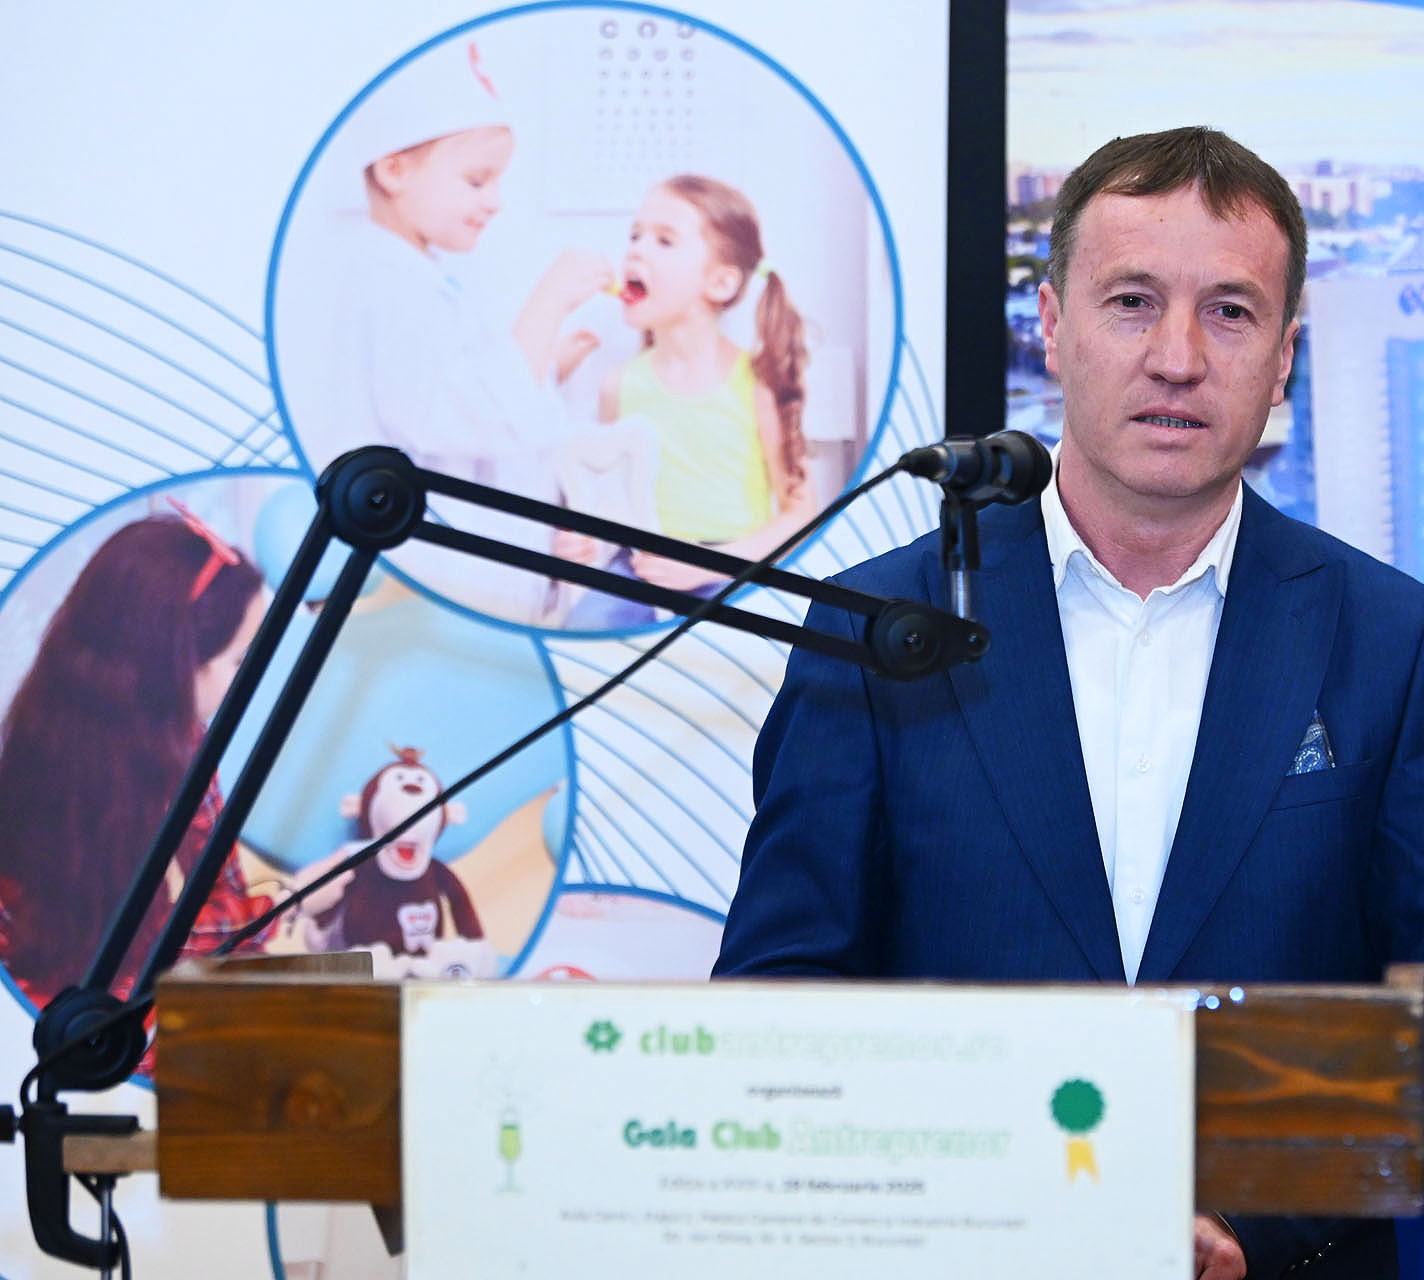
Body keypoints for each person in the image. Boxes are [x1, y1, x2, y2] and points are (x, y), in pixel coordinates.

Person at [713, 127, 1424, 1279]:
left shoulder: (1393, 641)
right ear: (1052, 325)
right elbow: (779, 993)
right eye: (1132, 302)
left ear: (1285, 356)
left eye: (1230, 312)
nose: (1177, 357)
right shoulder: (885, 631)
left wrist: (1250, 1207)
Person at [319, 38, 613, 624]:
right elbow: (476, 415)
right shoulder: (386, 285)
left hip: (477, 584)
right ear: (394, 170)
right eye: (477, 181)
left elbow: (469, 401)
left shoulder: (422, 279)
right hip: (435, 590)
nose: (496, 201)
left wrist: (548, 364)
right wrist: (550, 301)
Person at [0, 509, 273, 1010]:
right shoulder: (58, 787)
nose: (250, 678)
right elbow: (124, 960)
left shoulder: (184, 742)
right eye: (240, 659)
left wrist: (254, 917)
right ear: (178, 662)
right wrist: (277, 909)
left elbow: (221, 888)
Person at [563, 174, 817, 625]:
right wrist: (581, 540)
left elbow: (801, 512)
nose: (636, 250)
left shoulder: (757, 384)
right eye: (635, 236)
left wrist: (708, 565)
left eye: (664, 240)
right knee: (584, 627)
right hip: (637, 567)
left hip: (731, 568)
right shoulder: (617, 386)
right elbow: (607, 500)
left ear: (720, 282)